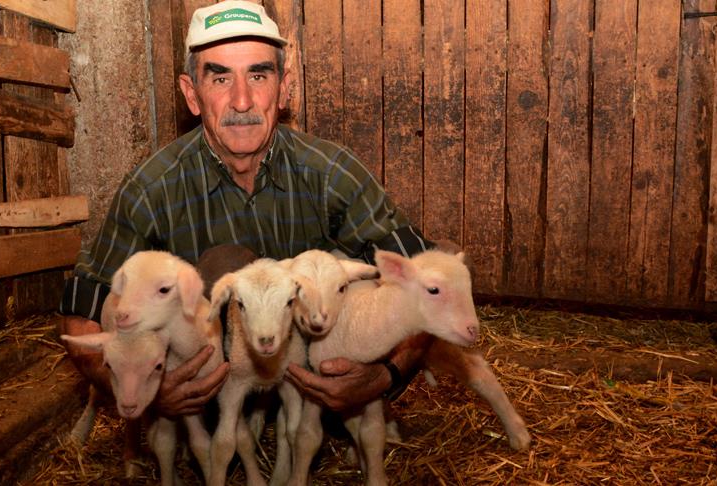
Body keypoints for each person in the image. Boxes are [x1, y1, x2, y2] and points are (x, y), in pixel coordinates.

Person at [59, 0, 435, 419]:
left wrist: (385, 374)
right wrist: (140, 388)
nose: (242, 101)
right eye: (220, 78)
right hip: (212, 403)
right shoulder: (151, 189)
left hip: (314, 396)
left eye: (259, 75)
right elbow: (83, 310)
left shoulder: (331, 173)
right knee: (218, 266)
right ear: (192, 95)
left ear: (284, 88)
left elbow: (427, 281)